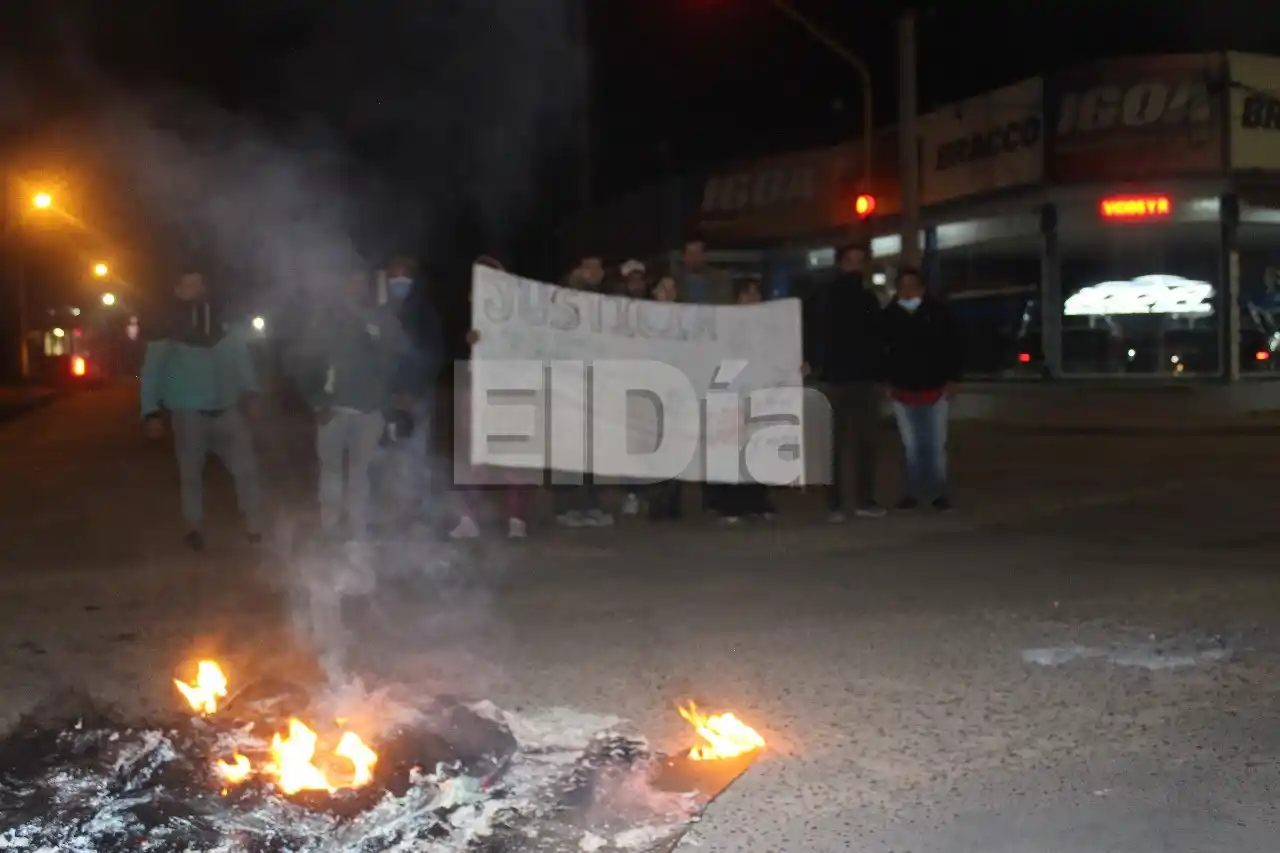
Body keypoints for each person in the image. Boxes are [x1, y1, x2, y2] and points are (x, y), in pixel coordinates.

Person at [140, 269, 263, 551]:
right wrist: (150, 412)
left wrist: (251, 391)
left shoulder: (222, 320)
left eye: (197, 284)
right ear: (177, 290)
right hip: (188, 412)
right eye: (186, 285)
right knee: (191, 474)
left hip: (227, 408)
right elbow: (152, 371)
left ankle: (254, 524)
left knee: (246, 469)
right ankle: (193, 527)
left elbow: (241, 357)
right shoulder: (167, 326)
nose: (192, 290)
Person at [299, 267, 406, 542]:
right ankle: (330, 527)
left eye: (362, 282)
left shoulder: (382, 318)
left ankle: (358, 529)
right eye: (352, 281)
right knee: (331, 472)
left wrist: (386, 403)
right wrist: (317, 402)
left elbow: (394, 362)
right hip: (332, 410)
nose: (357, 287)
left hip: (370, 412)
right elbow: (306, 362)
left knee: (361, 474)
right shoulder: (325, 318)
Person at [805, 241, 887, 522]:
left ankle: (865, 499)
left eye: (859, 261)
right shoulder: (824, 296)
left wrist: (880, 376)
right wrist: (812, 361)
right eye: (850, 260)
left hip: (865, 380)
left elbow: (878, 340)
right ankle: (836, 502)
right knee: (835, 445)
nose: (855, 266)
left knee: (868, 443)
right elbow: (813, 332)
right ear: (840, 263)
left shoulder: (869, 299)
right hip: (835, 380)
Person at [453, 254, 529, 539]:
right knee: (474, 457)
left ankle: (516, 518)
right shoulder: (475, 313)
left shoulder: (518, 314)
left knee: (512, 456)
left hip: (509, 391)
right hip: (478, 388)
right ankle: (469, 518)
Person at [881, 267, 963, 511]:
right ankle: (912, 492)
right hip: (901, 390)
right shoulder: (889, 316)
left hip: (936, 388)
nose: (907, 290)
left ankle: (938, 491)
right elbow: (881, 352)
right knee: (911, 444)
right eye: (903, 285)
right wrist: (886, 381)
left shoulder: (939, 313)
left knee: (935, 443)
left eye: (912, 284)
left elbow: (955, 347)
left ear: (922, 287)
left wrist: (953, 379)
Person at [377, 255, 443, 531]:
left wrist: (412, 391)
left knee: (417, 458)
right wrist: (388, 394)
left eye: (406, 275)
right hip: (384, 402)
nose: (400, 281)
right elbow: (375, 358)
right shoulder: (380, 313)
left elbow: (434, 355)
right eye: (395, 275)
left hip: (418, 399)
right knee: (384, 460)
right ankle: (387, 517)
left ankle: (421, 519)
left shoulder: (425, 314)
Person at [554, 253, 614, 527]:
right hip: (567, 383)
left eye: (599, 268)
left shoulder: (605, 299)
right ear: (578, 269)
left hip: (596, 384)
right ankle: (566, 506)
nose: (596, 272)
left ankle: (591, 504)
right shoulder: (561, 297)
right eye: (591, 267)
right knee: (567, 447)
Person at [712, 278, 777, 525]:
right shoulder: (727, 325)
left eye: (756, 294)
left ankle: (757, 498)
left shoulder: (771, 325)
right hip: (734, 392)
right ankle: (731, 503)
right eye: (746, 294)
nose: (752, 299)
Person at [645, 272, 684, 521]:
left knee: (677, 447)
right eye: (663, 288)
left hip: (678, 390)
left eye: (672, 289)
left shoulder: (687, 319)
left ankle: (673, 502)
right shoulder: (643, 319)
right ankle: (656, 501)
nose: (668, 293)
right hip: (652, 390)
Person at [675, 238, 734, 305]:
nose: (694, 258)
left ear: (705, 255)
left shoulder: (721, 278)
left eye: (698, 253)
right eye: (691, 254)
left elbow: (725, 305)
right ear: (684, 257)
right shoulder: (676, 280)